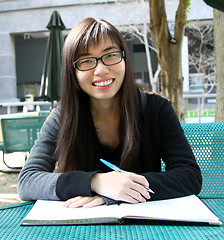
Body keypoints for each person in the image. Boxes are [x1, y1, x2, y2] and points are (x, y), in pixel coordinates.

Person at [18, 18, 202, 208]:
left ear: (124, 59)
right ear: (72, 72)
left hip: (148, 225)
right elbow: (28, 181)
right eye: (86, 61)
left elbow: (189, 175)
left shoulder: (157, 108)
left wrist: (122, 192)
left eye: (111, 55)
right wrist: (97, 182)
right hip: (83, 228)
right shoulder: (63, 117)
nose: (101, 70)